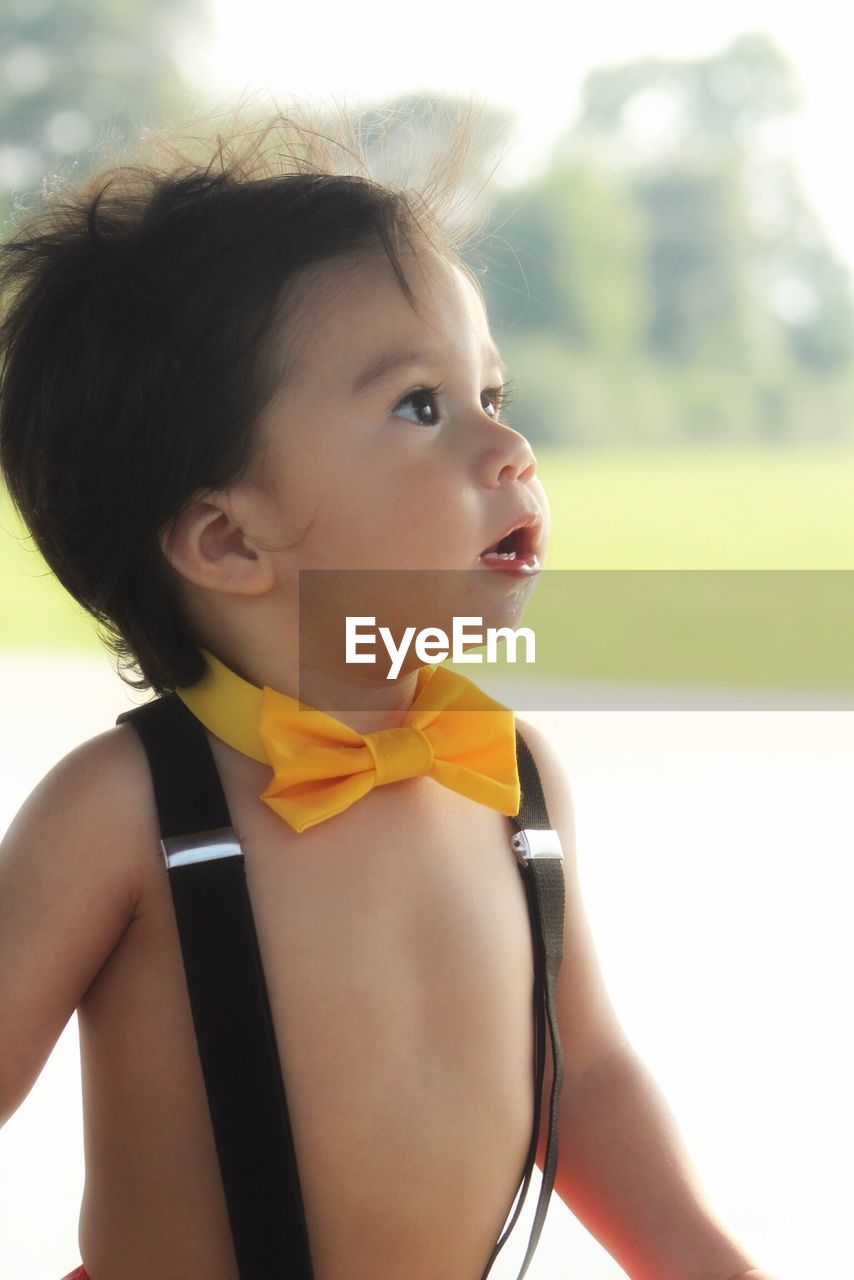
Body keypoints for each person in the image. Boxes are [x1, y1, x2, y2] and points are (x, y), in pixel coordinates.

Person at [0, 100, 777, 1280]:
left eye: (493, 397)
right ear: (225, 539)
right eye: (420, 406)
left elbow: (587, 1069)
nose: (506, 449)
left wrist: (700, 1256)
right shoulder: (123, 810)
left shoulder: (506, 773)